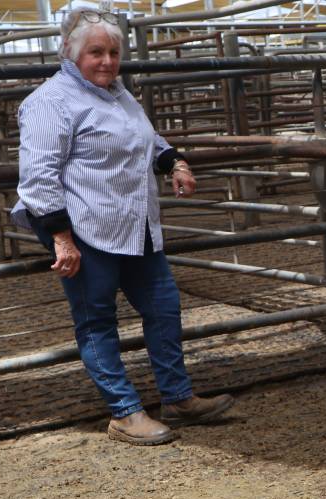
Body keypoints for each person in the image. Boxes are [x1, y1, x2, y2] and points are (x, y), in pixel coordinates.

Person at [13, 8, 234, 446]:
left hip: (134, 224)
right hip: (82, 227)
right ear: (71, 54)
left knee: (164, 309)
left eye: (113, 52)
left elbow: (145, 137)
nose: (107, 61)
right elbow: (37, 176)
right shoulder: (50, 102)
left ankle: (177, 396)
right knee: (96, 320)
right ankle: (124, 411)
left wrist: (173, 161)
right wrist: (61, 236)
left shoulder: (117, 93)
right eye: (96, 52)